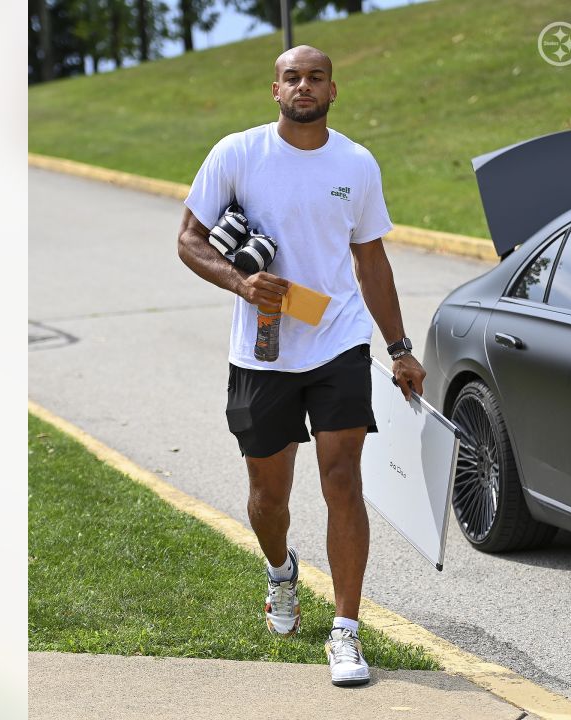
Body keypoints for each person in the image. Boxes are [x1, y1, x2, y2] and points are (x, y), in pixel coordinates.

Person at [176, 44, 425, 687]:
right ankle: (282, 572)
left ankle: (346, 630)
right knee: (268, 496)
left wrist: (398, 350)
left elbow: (371, 261)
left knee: (342, 478)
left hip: (337, 341)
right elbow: (188, 239)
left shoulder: (356, 163)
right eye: (293, 77)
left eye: (316, 77)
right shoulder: (237, 154)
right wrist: (240, 283)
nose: (304, 86)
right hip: (261, 349)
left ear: (333, 91)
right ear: (275, 90)